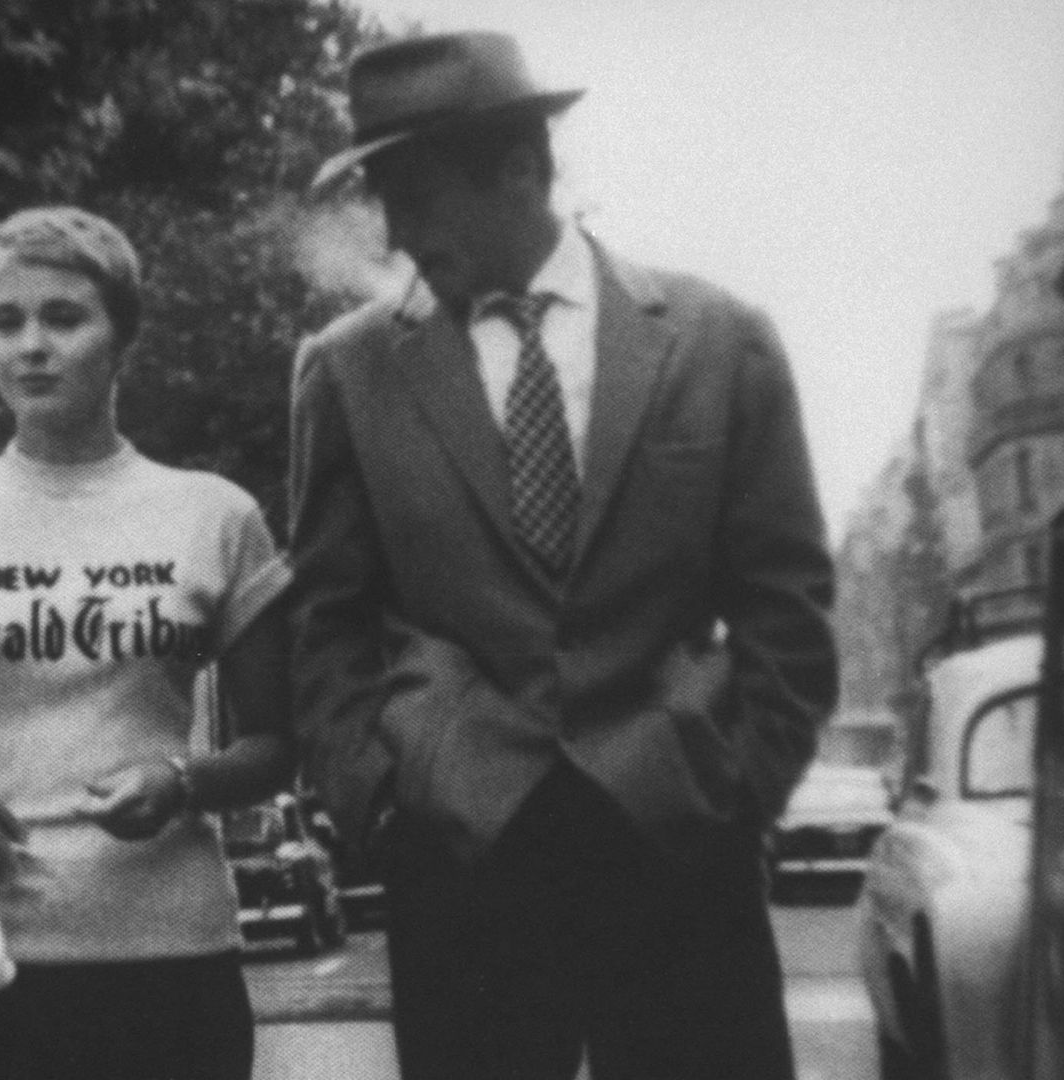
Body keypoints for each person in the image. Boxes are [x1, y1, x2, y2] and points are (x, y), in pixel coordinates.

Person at [287, 32, 838, 1080]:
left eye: (415, 192)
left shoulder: (719, 340)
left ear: (522, 170)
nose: (396, 233)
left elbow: (788, 601)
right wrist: (384, 806)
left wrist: (735, 789)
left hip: (680, 845)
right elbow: (329, 621)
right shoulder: (349, 372)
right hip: (460, 858)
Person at [0, 205, 294, 1080]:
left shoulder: (215, 515)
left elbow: (275, 746)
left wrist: (184, 783)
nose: (31, 345)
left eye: (64, 317)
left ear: (122, 337)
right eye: (6, 321)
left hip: (171, 965)